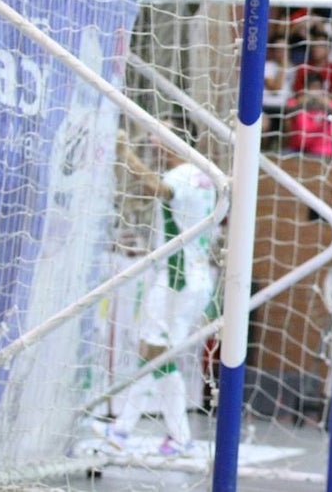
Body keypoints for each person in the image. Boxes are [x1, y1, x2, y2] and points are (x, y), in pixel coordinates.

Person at [107, 123, 217, 456]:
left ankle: (125, 431)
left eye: (161, 134)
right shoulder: (206, 176)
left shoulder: (183, 174)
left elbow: (159, 188)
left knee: (154, 352)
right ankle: (173, 436)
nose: (154, 140)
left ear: (178, 141)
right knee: (157, 355)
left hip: (177, 277)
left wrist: (124, 153)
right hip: (191, 275)